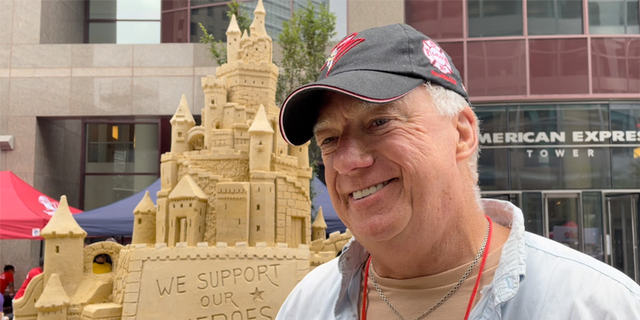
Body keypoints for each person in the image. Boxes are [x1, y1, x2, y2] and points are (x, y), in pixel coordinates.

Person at [276, 24, 640, 319]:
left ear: (461, 134)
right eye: (329, 139)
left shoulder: (596, 306)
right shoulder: (306, 305)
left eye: (380, 122)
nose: (347, 161)